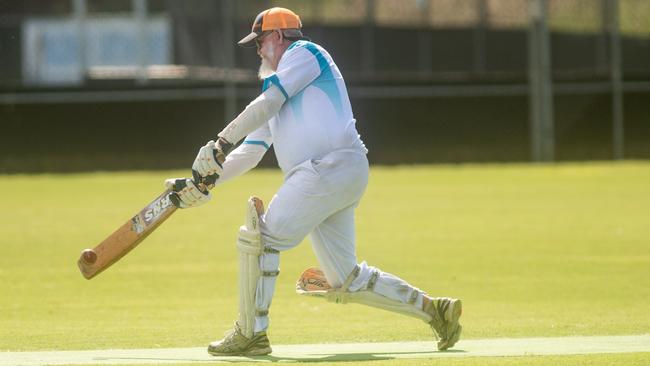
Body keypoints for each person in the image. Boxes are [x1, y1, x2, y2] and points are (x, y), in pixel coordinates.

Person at [165, 7, 462, 356]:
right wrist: (204, 181)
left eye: (260, 42)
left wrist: (219, 142)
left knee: (261, 238)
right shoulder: (276, 87)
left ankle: (250, 334)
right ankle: (436, 311)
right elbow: (253, 151)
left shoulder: (305, 53)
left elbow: (266, 104)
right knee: (345, 278)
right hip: (335, 174)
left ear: (278, 36)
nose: (258, 51)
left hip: (327, 167)